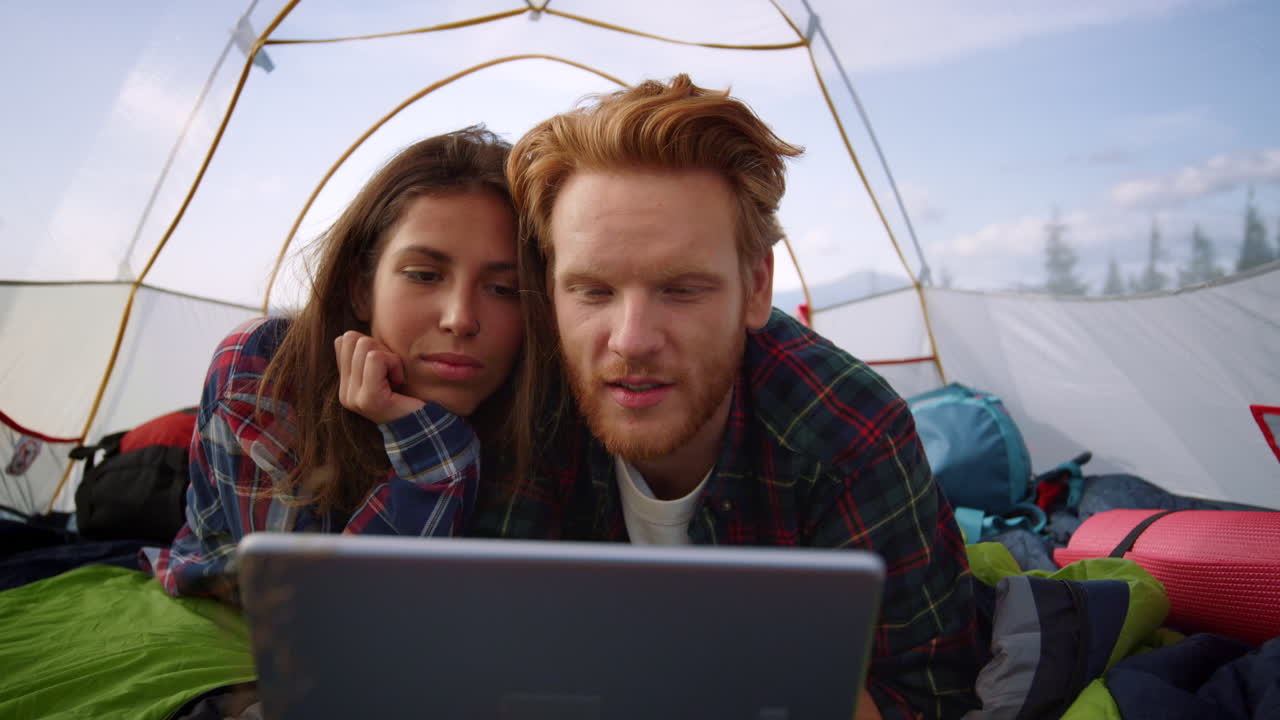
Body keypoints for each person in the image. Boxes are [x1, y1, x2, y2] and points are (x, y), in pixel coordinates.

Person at [471, 76, 982, 719]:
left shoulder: (847, 432)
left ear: (757, 286)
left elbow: (932, 694)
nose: (631, 342)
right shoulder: (528, 409)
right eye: (593, 291)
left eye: (682, 290)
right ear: (551, 291)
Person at [145, 127, 523, 602]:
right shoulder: (264, 371)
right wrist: (435, 457)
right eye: (423, 275)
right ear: (360, 288)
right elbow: (318, 607)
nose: (460, 319)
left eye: (504, 289)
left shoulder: (543, 398)